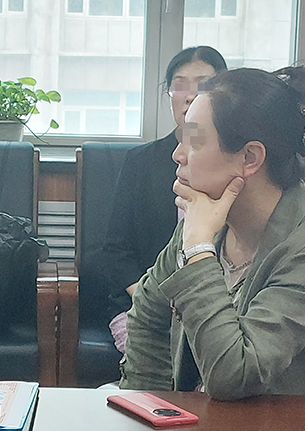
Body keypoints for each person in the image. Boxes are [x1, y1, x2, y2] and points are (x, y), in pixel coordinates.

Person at [119, 65, 305, 400]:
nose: (177, 155)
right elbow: (149, 314)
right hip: (202, 428)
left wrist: (199, 250)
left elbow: (233, 375)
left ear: (250, 158)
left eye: (194, 141)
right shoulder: (207, 219)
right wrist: (149, 408)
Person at [105, 46, 228, 352]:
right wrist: (153, 302)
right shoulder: (140, 162)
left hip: (220, 305)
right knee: (158, 358)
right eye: (180, 85)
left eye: (203, 85)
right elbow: (116, 252)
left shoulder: (232, 165)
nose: (190, 96)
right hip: (144, 304)